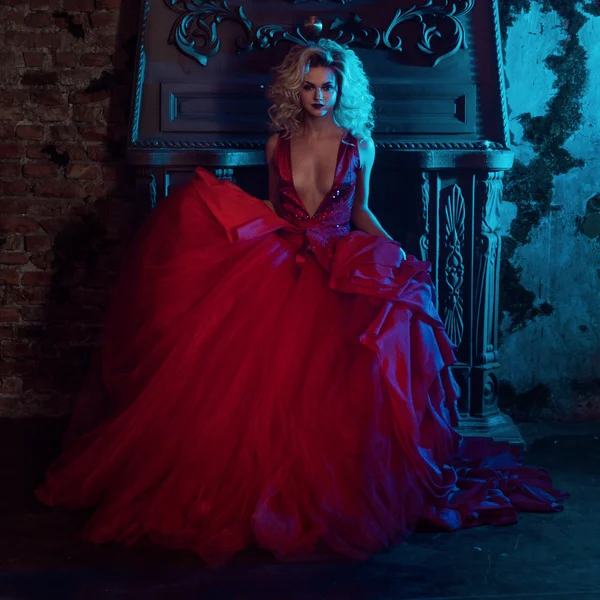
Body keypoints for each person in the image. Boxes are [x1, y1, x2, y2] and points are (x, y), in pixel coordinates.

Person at [36, 40, 567, 568]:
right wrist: (234, 224)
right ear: (297, 90)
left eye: (328, 87)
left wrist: (396, 250)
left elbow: (360, 210)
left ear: (342, 89)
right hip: (281, 253)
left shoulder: (360, 144)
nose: (319, 96)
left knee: (342, 370)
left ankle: (335, 483)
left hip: (338, 258)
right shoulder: (277, 143)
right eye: (309, 87)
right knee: (259, 375)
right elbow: (274, 202)